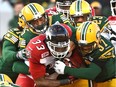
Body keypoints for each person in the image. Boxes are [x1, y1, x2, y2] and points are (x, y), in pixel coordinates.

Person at [54, 21, 116, 87]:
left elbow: (92, 73)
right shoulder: (78, 34)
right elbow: (65, 27)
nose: (85, 49)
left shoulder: (106, 50)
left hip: (107, 79)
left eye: (88, 46)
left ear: (97, 41)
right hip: (89, 76)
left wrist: (65, 69)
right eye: (82, 46)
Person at [12, 3, 49, 87]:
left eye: (41, 19)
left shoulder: (53, 25)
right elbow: (17, 65)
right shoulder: (26, 37)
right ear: (28, 23)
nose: (40, 23)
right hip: (36, 71)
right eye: (35, 22)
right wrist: (38, 71)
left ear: (45, 16)